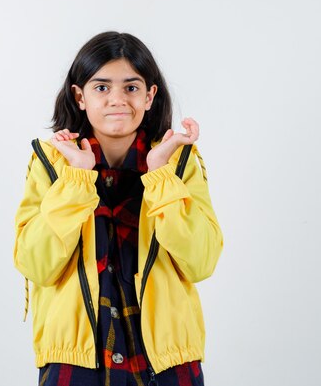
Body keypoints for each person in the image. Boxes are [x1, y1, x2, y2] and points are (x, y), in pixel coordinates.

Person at [13, 31, 223, 386]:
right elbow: (36, 265)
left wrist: (160, 175)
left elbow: (200, 262)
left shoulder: (177, 161)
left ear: (149, 95)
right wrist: (77, 180)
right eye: (101, 87)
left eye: (131, 87)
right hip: (76, 363)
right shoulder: (52, 163)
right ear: (79, 96)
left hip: (167, 363)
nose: (117, 100)